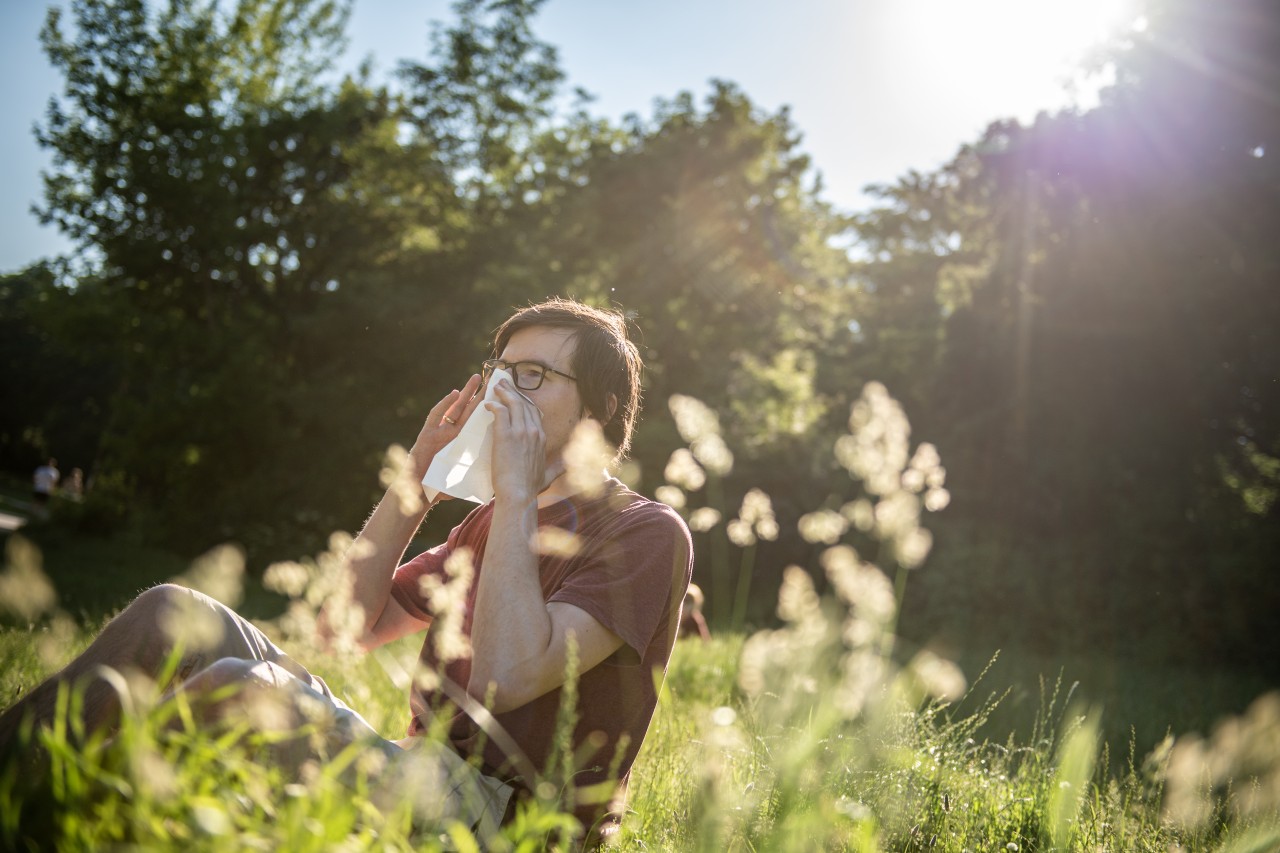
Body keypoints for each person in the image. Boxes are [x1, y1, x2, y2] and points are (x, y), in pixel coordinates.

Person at [0, 299, 694, 846]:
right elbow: (344, 628)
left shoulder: (643, 531)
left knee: (244, 692)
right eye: (501, 371)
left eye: (534, 375)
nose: (504, 392)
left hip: (505, 822)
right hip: (414, 766)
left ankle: (70, 821)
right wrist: (414, 484)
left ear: (600, 407)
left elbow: (507, 677)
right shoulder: (490, 523)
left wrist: (512, 493)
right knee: (167, 610)